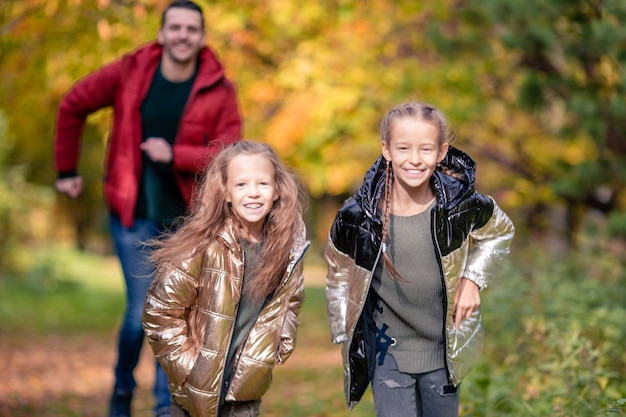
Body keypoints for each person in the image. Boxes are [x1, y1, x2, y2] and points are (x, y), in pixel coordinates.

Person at [52, 1, 242, 416]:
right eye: (174, 27)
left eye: (191, 29)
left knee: (173, 314)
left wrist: (174, 153)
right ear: (161, 34)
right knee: (141, 311)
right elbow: (73, 104)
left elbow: (230, 154)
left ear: (202, 37)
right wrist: (66, 169)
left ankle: (163, 407)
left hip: (188, 221)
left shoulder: (218, 88)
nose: (182, 35)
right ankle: (122, 390)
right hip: (132, 211)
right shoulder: (131, 70)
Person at [324, 102, 515, 417]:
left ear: (441, 152)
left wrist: (473, 279)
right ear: (386, 150)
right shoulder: (360, 215)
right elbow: (337, 268)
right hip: (388, 354)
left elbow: (500, 232)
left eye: (425, 149)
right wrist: (343, 330)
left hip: (444, 353)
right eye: (403, 148)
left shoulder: (460, 206)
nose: (414, 159)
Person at [142, 141, 309, 417]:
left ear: (277, 189)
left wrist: (279, 342)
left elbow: (292, 299)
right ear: (226, 193)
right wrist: (190, 371)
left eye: (263, 184)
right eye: (241, 185)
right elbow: (159, 312)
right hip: (193, 397)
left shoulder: (286, 248)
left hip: (245, 392)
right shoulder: (203, 246)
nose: (253, 193)